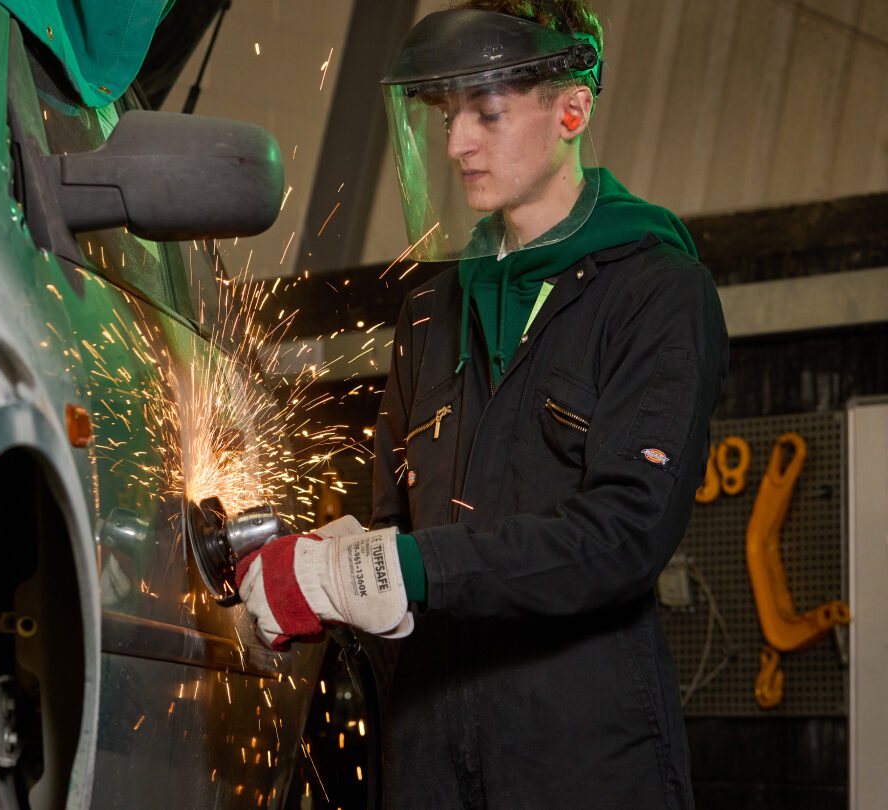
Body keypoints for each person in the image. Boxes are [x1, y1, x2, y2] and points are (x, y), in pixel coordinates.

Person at [236, 1, 728, 807]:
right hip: (427, 751)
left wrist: (402, 568)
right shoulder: (430, 315)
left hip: (581, 754)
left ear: (571, 111)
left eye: (487, 113)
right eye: (446, 115)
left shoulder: (655, 293)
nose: (458, 143)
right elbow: (398, 529)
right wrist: (322, 581)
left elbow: (626, 534)